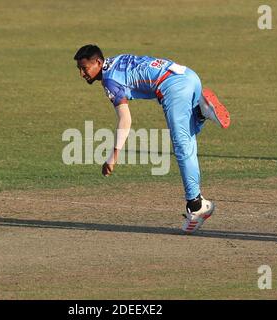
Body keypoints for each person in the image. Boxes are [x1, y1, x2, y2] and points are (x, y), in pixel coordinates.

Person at [73, 44, 230, 233]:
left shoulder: (109, 81)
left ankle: (196, 206)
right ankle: (201, 111)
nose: (82, 74)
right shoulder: (114, 61)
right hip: (188, 76)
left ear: (98, 62)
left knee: (182, 147)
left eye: (84, 68)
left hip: (174, 87)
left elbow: (125, 119)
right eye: (79, 69)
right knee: (187, 137)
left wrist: (113, 155)